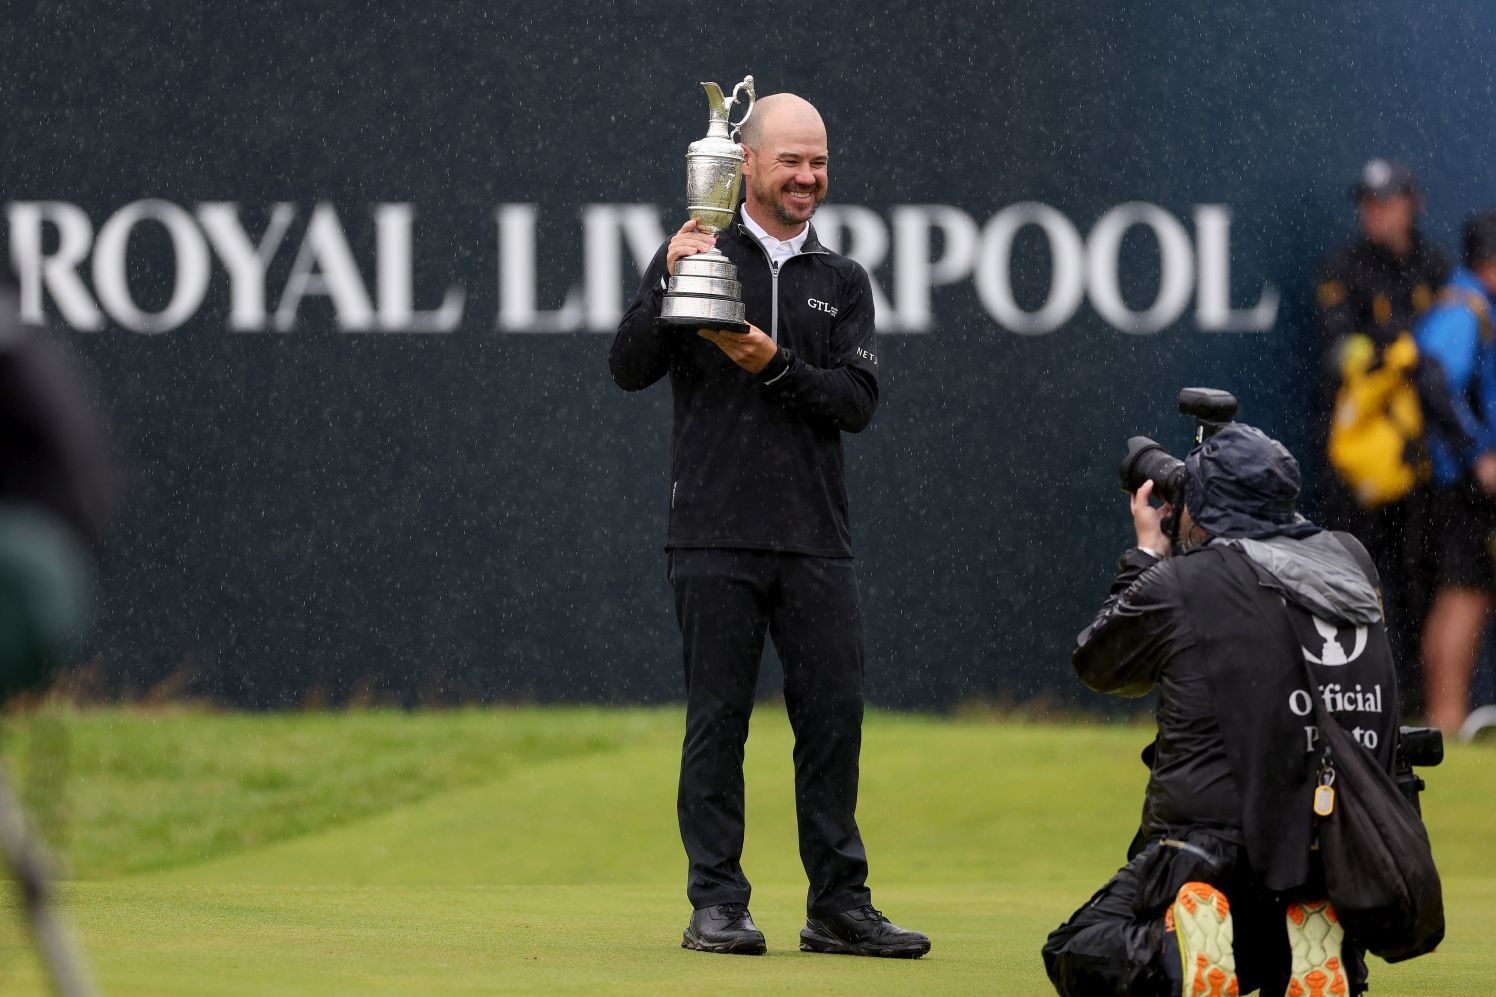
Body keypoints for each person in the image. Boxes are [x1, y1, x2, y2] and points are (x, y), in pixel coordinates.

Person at [609, 93, 929, 958]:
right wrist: (667, 279)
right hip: (711, 529)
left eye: (818, 161)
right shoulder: (698, 248)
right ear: (744, 165)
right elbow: (628, 364)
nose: (807, 177)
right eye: (791, 160)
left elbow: (855, 402)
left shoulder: (843, 280)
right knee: (718, 720)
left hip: (815, 535)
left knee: (833, 718)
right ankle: (716, 901)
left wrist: (773, 362)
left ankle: (838, 904)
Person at [1042, 422, 1398, 997]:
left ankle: (1180, 947)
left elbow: (1101, 663)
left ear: (1202, 505)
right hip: (1339, 846)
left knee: (1078, 947)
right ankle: (1308, 939)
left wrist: (1147, 555)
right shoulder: (1349, 561)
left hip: (1210, 848)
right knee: (1262, 924)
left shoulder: (1187, 582)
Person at [1314, 159, 1451, 717]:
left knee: (1421, 583)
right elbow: (1338, 351)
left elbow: (1447, 360)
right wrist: (1393, 355)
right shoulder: (1341, 269)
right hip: (1361, 463)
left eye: (1386, 201)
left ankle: (1417, 707)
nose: (1376, 213)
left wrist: (1403, 355)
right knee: (1353, 582)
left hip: (1421, 465)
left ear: (1411, 203)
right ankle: (1356, 701)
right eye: (1368, 203)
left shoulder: (1437, 267)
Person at [1411, 210, 1496, 737]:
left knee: (1464, 592)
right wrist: (1477, 456)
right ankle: (1445, 719)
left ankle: (1445, 719)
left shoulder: (1475, 304)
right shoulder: (1464, 307)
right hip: (1464, 485)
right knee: (1464, 593)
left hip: (1459, 483)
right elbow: (1433, 380)